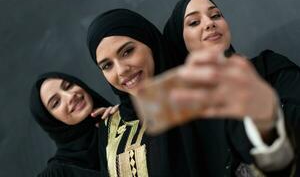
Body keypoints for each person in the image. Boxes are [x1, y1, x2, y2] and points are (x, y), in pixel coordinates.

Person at [163, 0, 299, 176]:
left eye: (216, 15)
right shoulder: (186, 115)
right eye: (194, 22)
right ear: (180, 41)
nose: (210, 23)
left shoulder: (270, 68)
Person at [87, 9, 233, 176]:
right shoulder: (111, 128)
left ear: (150, 43)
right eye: (107, 66)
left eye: (127, 52)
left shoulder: (201, 94)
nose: (121, 70)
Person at [30, 72, 117, 177]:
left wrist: (127, 117)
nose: (71, 96)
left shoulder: (124, 119)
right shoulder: (58, 173)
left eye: (68, 86)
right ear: (52, 121)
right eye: (56, 103)